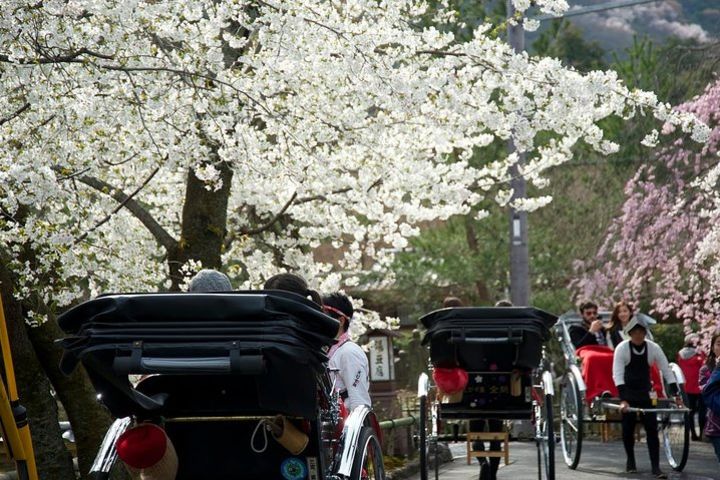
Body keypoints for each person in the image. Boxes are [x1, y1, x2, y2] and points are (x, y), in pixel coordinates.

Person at [612, 318, 679, 479]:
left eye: (641, 332)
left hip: (646, 393)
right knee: (628, 428)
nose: (638, 335)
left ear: (645, 333)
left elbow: (666, 369)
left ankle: (656, 467)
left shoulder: (653, 347)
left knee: (651, 429)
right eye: (634, 332)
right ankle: (630, 460)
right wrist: (623, 399)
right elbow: (618, 374)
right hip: (628, 392)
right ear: (629, 334)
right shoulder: (622, 348)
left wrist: (675, 393)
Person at [321, 292, 371, 412]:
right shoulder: (328, 349)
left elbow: (359, 402)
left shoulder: (349, 352)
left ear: (341, 321)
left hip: (342, 423)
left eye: (323, 316)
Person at [676, 333, 706, 441]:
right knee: (702, 411)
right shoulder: (700, 353)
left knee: (690, 411)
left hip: (687, 387)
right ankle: (701, 433)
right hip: (699, 386)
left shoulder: (680, 354)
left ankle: (693, 433)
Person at [700, 330, 720, 462]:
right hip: (717, 425)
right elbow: (707, 392)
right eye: (719, 343)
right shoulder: (706, 369)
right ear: (713, 347)